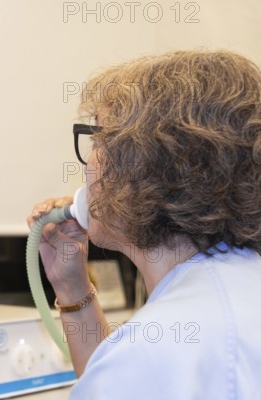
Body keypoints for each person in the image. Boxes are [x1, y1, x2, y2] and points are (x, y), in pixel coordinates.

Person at [27, 50, 261, 399]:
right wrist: (72, 288)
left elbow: (131, 372)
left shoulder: (154, 349)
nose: (88, 163)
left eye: (97, 140)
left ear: (143, 166)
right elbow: (115, 380)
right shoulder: (236, 286)